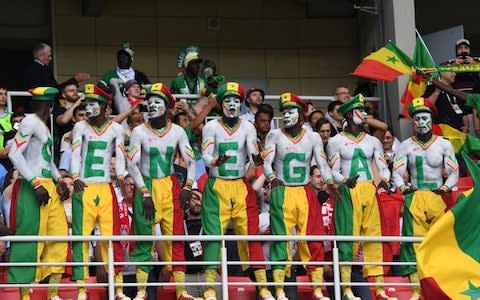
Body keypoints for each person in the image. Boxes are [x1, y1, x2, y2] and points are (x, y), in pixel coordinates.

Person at [201, 82, 273, 300]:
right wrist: (215, 160)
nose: (231, 105)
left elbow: (252, 152)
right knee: (213, 237)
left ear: (240, 104)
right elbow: (205, 154)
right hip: (217, 185)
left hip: (240, 185)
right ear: (221, 104)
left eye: (235, 101)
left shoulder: (248, 126)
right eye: (227, 101)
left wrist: (258, 158)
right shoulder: (211, 126)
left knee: (251, 233)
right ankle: (209, 288)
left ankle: (263, 286)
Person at [127, 83, 198, 300]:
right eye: (150, 101)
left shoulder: (177, 131)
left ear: (167, 107)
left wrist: (187, 186)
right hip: (146, 185)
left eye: (158, 101)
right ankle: (141, 291)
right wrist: (144, 192)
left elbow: (191, 160)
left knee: (176, 237)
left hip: (170, 185)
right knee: (144, 239)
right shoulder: (138, 131)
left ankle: (181, 291)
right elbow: (132, 165)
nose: (152, 105)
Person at [263, 92, 334, 300]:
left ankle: (318, 289)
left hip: (305, 190)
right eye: (283, 111)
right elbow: (267, 162)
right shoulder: (274, 135)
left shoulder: (312, 137)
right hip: (282, 189)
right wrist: (271, 176)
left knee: (313, 237)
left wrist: (329, 183)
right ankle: (278, 289)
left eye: (291, 111)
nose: (286, 115)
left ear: (301, 115)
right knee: (280, 240)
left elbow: (322, 163)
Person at [327, 94, 395, 300]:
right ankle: (346, 287)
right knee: (348, 238)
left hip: (369, 190)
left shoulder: (373, 140)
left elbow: (383, 166)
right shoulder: (335, 141)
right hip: (349, 191)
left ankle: (380, 287)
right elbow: (333, 171)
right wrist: (345, 180)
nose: (364, 115)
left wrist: (384, 179)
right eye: (360, 111)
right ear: (348, 114)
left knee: (373, 237)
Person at [392, 97, 458, 300]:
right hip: (416, 195)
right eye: (417, 118)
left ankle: (439, 286)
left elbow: (453, 172)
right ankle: (415, 289)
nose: (421, 122)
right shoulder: (405, 145)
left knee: (439, 243)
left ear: (431, 119)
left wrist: (446, 187)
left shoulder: (444, 145)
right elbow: (396, 171)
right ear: (412, 122)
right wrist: (403, 187)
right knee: (413, 243)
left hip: (438, 195)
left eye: (424, 117)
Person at [8, 87, 69, 300]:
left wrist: (59, 180)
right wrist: (35, 183)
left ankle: (53, 294)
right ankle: (25, 294)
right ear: (51, 106)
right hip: (32, 186)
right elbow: (14, 154)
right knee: (30, 240)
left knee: (59, 237)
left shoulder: (43, 125)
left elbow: (48, 160)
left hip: (47, 186)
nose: (41, 106)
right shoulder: (29, 121)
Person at [70, 84, 129, 300]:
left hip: (106, 187)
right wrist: (75, 176)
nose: (88, 108)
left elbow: (120, 155)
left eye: (93, 103)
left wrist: (121, 175)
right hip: (83, 186)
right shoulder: (80, 127)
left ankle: (119, 288)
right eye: (87, 103)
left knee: (110, 237)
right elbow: (75, 154)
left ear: (104, 106)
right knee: (81, 238)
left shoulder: (116, 129)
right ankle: (81, 289)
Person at [100, 45, 150, 115]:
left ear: (131, 59)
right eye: (120, 57)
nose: (122, 59)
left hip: (138, 110)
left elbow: (149, 89)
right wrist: (112, 91)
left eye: (125, 57)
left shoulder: (140, 75)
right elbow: (100, 87)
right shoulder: (110, 75)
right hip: (116, 111)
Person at [23, 43, 90, 90]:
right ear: (41, 57)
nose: (50, 59)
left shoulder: (39, 68)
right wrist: (75, 79)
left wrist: (75, 80)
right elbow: (55, 89)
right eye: (49, 56)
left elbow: (56, 88)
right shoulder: (36, 69)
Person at [423, 66, 468, 133]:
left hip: (459, 132)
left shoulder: (455, 91)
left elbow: (463, 112)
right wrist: (437, 92)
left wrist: (466, 126)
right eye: (452, 72)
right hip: (442, 132)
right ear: (442, 73)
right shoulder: (431, 88)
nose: (455, 74)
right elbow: (426, 107)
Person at [58, 105, 87, 174]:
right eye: (81, 115)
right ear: (73, 118)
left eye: (87, 115)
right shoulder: (67, 136)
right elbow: (64, 161)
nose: (85, 118)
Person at [0, 86, 14, 169]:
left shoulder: (12, 116)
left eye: (5, 94)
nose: (3, 96)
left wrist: (8, 150)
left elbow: (18, 133)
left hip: (8, 157)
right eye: (0, 94)